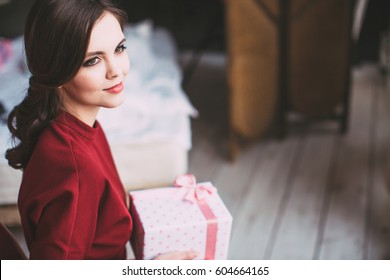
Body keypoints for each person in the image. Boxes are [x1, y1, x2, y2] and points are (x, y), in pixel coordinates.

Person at [6, 0, 197, 260]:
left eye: (119, 48)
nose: (116, 71)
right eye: (93, 60)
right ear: (57, 71)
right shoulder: (72, 166)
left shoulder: (74, 128)